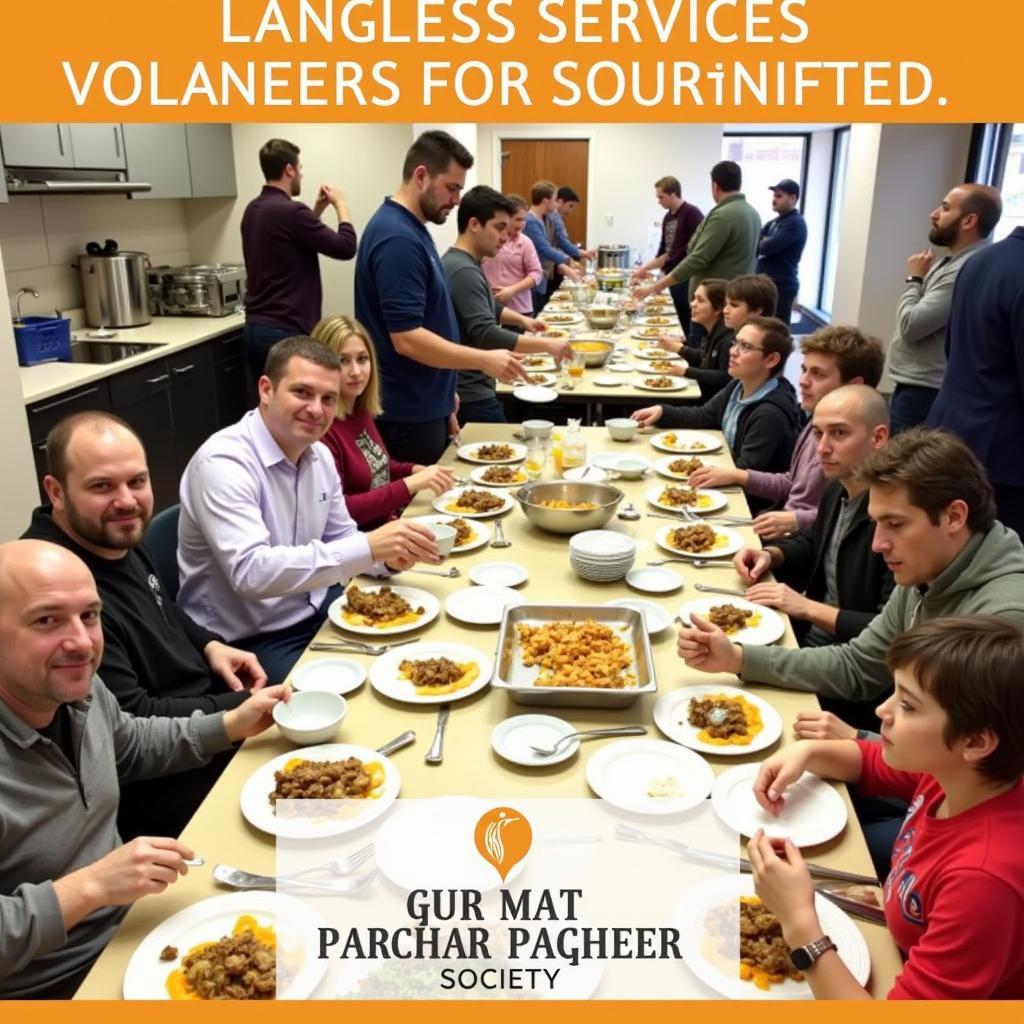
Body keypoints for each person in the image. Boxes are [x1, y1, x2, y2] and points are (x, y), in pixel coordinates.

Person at [0, 539, 288, 999]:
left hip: (135, 927)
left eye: (89, 616)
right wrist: (90, 886)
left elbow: (127, 743)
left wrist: (230, 724)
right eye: (46, 620)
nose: (80, 642)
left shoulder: (78, 688)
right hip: (56, 986)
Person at [20, 412, 269, 840]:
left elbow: (162, 605)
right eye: (102, 486)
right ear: (56, 492)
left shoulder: (111, 538)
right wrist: (235, 709)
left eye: (136, 481)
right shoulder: (62, 589)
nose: (126, 500)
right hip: (166, 776)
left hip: (206, 719)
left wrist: (209, 643)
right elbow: (129, 722)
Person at [749, 616, 1024, 999]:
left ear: (976, 742)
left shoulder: (983, 882)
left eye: (908, 706)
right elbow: (869, 760)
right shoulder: (959, 773)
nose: (882, 711)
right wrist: (808, 751)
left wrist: (798, 922)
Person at [676, 429, 1024, 708]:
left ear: (954, 516)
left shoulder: (1004, 620)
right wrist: (737, 658)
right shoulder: (927, 569)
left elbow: (977, 766)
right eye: (877, 523)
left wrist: (860, 747)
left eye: (895, 524)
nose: (878, 544)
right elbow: (858, 666)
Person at [178, 337, 441, 682]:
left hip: (318, 610)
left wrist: (389, 558)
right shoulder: (224, 463)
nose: (316, 409)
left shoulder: (319, 456)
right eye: (302, 392)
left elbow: (342, 536)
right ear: (266, 389)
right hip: (247, 642)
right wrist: (368, 546)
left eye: (328, 399)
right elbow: (251, 573)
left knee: (419, 655)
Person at [354, 130, 528, 465]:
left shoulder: (412, 229)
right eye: (452, 187)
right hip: (407, 411)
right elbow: (407, 338)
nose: (457, 199)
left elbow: (430, 320)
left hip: (427, 404)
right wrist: (482, 359)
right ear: (421, 176)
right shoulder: (397, 238)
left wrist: (445, 396)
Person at [736, 385, 893, 659]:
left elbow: (888, 630)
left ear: (878, 437)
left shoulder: (894, 518)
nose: (822, 448)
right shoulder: (837, 488)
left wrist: (805, 606)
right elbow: (814, 542)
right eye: (818, 434)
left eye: (839, 433)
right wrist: (771, 555)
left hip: (846, 657)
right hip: (809, 635)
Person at [689, 325, 885, 538]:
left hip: (800, 540)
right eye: (804, 370)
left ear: (853, 386)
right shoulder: (814, 424)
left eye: (818, 374)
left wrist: (798, 520)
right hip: (786, 531)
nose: (803, 381)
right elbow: (793, 483)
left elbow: (855, 517)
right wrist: (737, 475)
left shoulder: (860, 448)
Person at [443, 186, 574, 424]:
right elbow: (484, 333)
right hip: (471, 391)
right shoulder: (463, 271)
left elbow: (489, 308)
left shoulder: (467, 263)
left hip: (476, 386)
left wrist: (524, 320)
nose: (505, 237)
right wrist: (546, 345)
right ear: (474, 225)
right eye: (499, 228)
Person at [311, 315, 456, 530]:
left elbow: (378, 467)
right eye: (342, 361)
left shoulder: (359, 411)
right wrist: (409, 485)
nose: (356, 372)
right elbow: (340, 510)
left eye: (362, 359)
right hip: (363, 546)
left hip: (389, 526)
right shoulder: (322, 430)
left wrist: (415, 470)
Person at [927, 224, 1024, 535]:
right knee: (999, 562)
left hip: (952, 426)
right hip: (1006, 455)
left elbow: (952, 347)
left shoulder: (979, 260)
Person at [887, 184, 1001, 432]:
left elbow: (911, 325)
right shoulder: (951, 262)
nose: (934, 213)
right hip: (916, 385)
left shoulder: (965, 268)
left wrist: (914, 279)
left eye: (945, 208)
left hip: (924, 391)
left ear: (969, 220)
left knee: (901, 468)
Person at [632, 317, 800, 483]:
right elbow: (703, 416)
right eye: (736, 343)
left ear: (771, 360)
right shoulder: (738, 386)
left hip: (750, 503)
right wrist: (662, 411)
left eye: (746, 347)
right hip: (724, 473)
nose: (733, 351)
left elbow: (744, 472)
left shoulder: (770, 414)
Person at [241, 138, 357, 377]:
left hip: (255, 329)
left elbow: (295, 239)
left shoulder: (253, 210)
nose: (302, 175)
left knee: (270, 406)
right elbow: (346, 247)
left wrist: (316, 210)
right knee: (295, 408)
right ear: (289, 169)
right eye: (300, 168)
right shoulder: (291, 211)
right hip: (285, 331)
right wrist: (340, 204)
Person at [633, 160, 761, 304]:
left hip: (715, 299)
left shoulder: (721, 215)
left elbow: (697, 257)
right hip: (735, 296)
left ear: (715, 185)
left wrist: (655, 287)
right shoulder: (753, 213)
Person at [632, 176, 704, 330]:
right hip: (672, 276)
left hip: (686, 277)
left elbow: (690, 251)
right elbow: (665, 253)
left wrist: (654, 275)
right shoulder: (668, 216)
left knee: (686, 319)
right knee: (678, 315)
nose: (659, 201)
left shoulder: (692, 214)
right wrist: (643, 269)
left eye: (661, 197)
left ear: (673, 195)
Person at [656, 278, 733, 399]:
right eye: (694, 299)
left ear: (718, 309)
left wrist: (686, 371)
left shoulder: (728, 339)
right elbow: (705, 358)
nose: (692, 304)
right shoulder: (713, 330)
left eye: (700, 300)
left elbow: (725, 377)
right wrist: (679, 349)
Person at [522, 180, 582, 313]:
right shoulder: (531, 221)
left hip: (541, 276)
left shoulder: (541, 219)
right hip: (534, 278)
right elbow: (545, 249)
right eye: (555, 199)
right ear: (545, 201)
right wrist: (567, 260)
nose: (556, 204)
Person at [756, 179, 808, 327]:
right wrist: (763, 241)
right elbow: (755, 243)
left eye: (779, 196)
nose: (774, 199)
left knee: (777, 331)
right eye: (774, 196)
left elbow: (766, 247)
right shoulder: (773, 223)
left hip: (782, 287)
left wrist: (765, 242)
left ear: (793, 198)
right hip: (767, 286)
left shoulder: (795, 223)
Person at [481, 193, 543, 317]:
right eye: (518, 219)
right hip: (489, 308)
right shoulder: (488, 239)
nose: (522, 224)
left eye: (524, 220)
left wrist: (512, 290)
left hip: (520, 309)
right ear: (506, 218)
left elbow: (536, 273)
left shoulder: (525, 242)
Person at [547, 185, 596, 304]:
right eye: (570, 205)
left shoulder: (554, 218)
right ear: (559, 201)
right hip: (553, 266)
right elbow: (564, 244)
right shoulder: (555, 218)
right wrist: (583, 253)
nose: (571, 210)